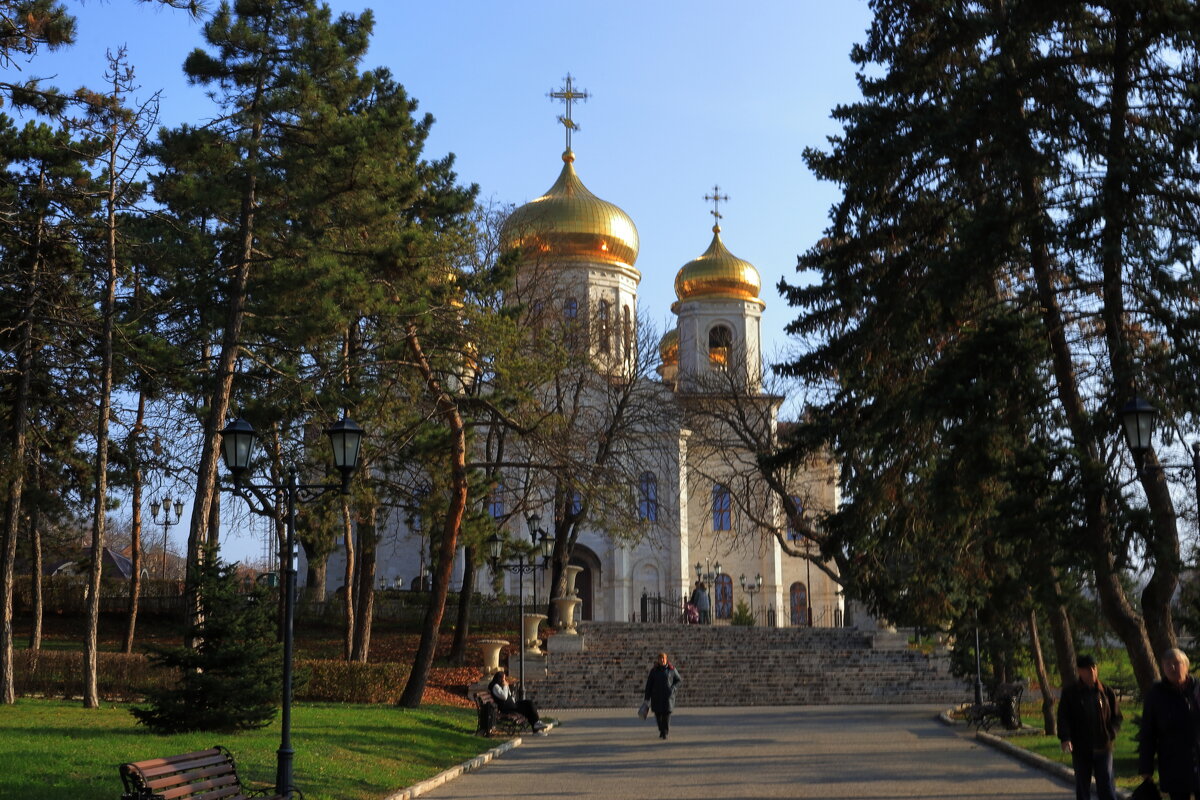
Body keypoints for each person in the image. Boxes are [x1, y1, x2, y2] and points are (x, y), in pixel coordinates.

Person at [1057, 654, 1122, 800]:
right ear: (1080, 671)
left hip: (1103, 746)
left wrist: (1111, 732)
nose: (1092, 671)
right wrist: (1066, 738)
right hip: (1081, 747)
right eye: (1087, 669)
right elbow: (1063, 718)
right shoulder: (1071, 693)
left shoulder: (1105, 691)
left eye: (1094, 668)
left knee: (1106, 785)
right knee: (1082, 786)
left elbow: (1117, 717)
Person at [1138, 648, 1200, 800]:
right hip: (1173, 762)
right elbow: (1148, 732)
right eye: (1167, 664)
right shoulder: (1156, 695)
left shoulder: (1198, 690)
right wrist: (1146, 768)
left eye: (1176, 663)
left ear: (1187, 666)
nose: (1172, 667)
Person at [644, 651, 682, 740]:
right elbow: (649, 684)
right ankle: (661, 730)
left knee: (666, 715)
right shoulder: (654, 671)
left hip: (668, 696)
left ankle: (665, 732)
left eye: (663, 658)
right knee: (658, 715)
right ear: (658, 660)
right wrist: (647, 697)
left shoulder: (671, 669)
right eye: (660, 659)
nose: (662, 660)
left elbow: (678, 680)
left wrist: (673, 689)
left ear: (666, 659)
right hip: (656, 697)